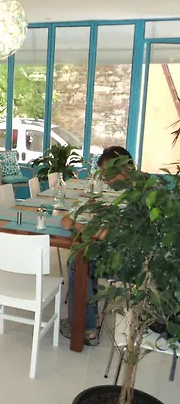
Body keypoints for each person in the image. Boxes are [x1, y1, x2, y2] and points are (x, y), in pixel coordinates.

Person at [60, 146, 134, 346]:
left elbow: (107, 234)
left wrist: (78, 225)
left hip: (126, 262)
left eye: (107, 174)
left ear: (124, 168)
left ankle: (85, 328)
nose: (105, 180)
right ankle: (87, 319)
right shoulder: (124, 190)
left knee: (79, 262)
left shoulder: (133, 196)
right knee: (82, 257)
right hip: (117, 252)